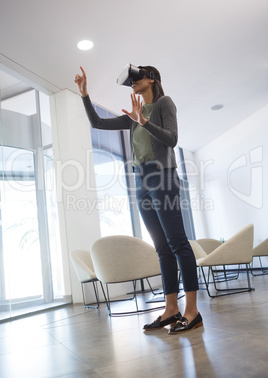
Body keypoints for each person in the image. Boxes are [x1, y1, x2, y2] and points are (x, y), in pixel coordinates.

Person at [75, 65, 203, 333]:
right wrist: (85, 94)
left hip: (163, 176)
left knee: (178, 243)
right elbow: (97, 123)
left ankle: (192, 311)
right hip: (141, 181)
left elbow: (172, 139)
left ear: (152, 78)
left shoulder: (163, 104)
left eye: (138, 77)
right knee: (162, 248)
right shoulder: (132, 116)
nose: (132, 82)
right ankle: (171, 309)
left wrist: (144, 122)